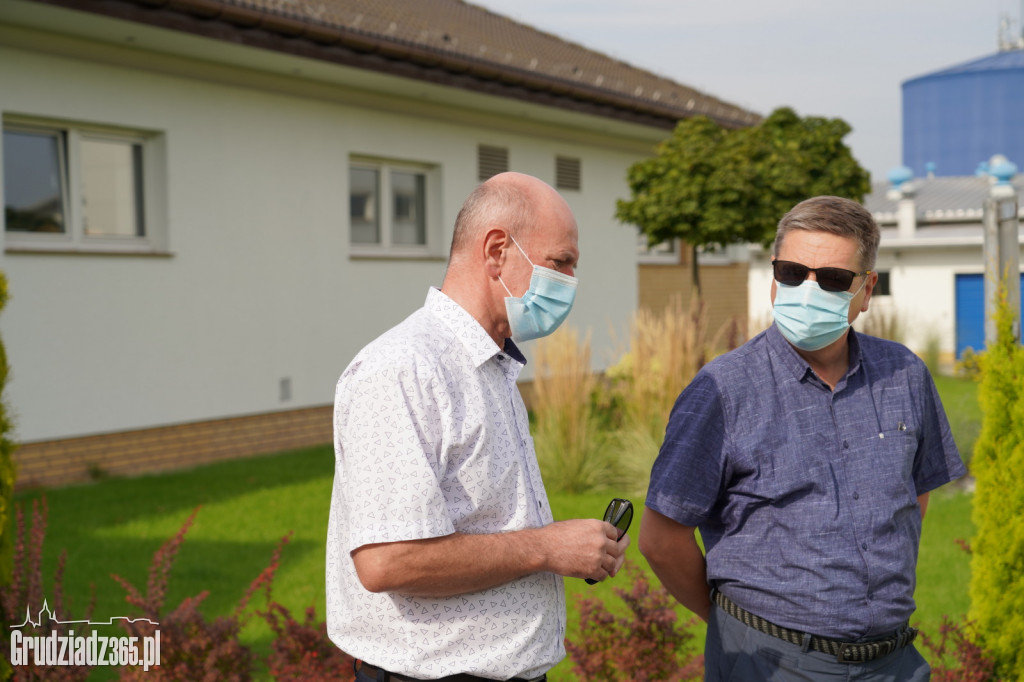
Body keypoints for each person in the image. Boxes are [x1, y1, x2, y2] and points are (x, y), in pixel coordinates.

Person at [639, 195, 967, 681]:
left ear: (867, 289)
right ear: (775, 276)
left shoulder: (904, 374)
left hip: (895, 662)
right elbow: (661, 538)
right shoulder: (722, 390)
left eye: (833, 279)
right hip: (768, 663)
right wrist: (734, 626)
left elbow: (912, 498)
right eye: (793, 272)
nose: (809, 290)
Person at [326, 172, 629, 682]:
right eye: (561, 263)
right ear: (496, 251)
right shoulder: (405, 368)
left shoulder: (488, 365)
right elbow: (387, 560)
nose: (571, 283)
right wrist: (548, 547)